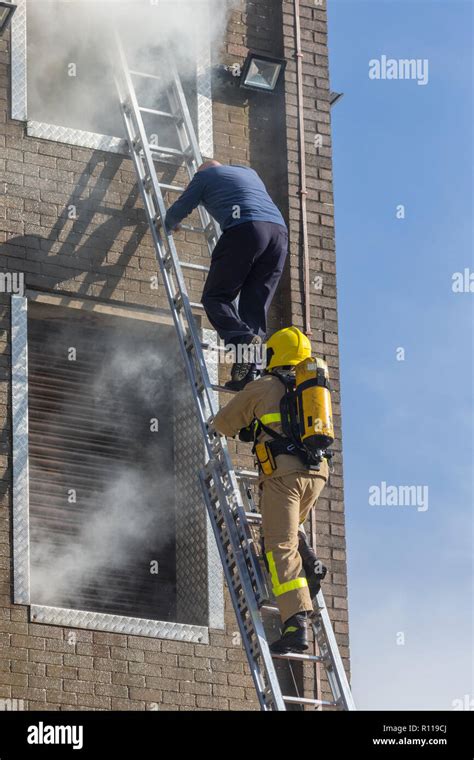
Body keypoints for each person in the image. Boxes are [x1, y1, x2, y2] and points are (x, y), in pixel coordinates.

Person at [212, 326, 329, 653]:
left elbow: (224, 423)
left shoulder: (262, 386)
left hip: (283, 477)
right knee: (292, 531)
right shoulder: (309, 389)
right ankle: (311, 564)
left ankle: (296, 623)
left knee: (279, 544)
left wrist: (214, 426)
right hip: (317, 473)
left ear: (273, 355)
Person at [164, 161, 288, 389]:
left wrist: (169, 224)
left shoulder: (204, 177)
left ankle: (242, 339)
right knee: (254, 307)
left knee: (216, 297)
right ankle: (249, 375)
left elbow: (180, 209)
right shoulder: (250, 172)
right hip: (278, 236)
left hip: (246, 230)